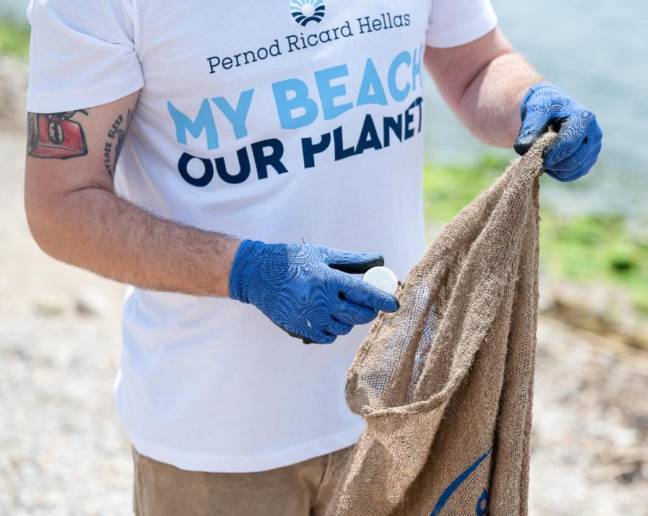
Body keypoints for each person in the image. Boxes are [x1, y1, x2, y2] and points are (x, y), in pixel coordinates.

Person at [24, 0, 602, 514]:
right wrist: (248, 272)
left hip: (397, 406)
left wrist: (530, 100)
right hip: (217, 433)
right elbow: (62, 206)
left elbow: (476, 66)